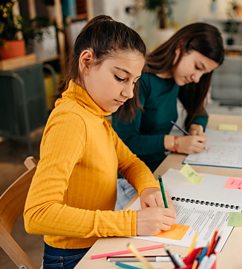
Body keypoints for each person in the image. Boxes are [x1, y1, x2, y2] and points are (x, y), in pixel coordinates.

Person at [23, 16, 176, 269]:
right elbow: (37, 214)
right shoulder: (71, 121)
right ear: (86, 61)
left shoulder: (94, 113)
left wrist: (148, 187)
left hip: (97, 242)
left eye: (134, 82)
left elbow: (129, 160)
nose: (129, 93)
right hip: (73, 257)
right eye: (120, 78)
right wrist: (131, 222)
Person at [112, 22, 225, 172]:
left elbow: (199, 111)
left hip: (161, 165)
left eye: (204, 73)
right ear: (180, 47)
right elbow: (124, 142)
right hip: (133, 176)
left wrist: (196, 126)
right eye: (198, 67)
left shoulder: (176, 78)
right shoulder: (140, 79)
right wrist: (174, 142)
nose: (197, 78)